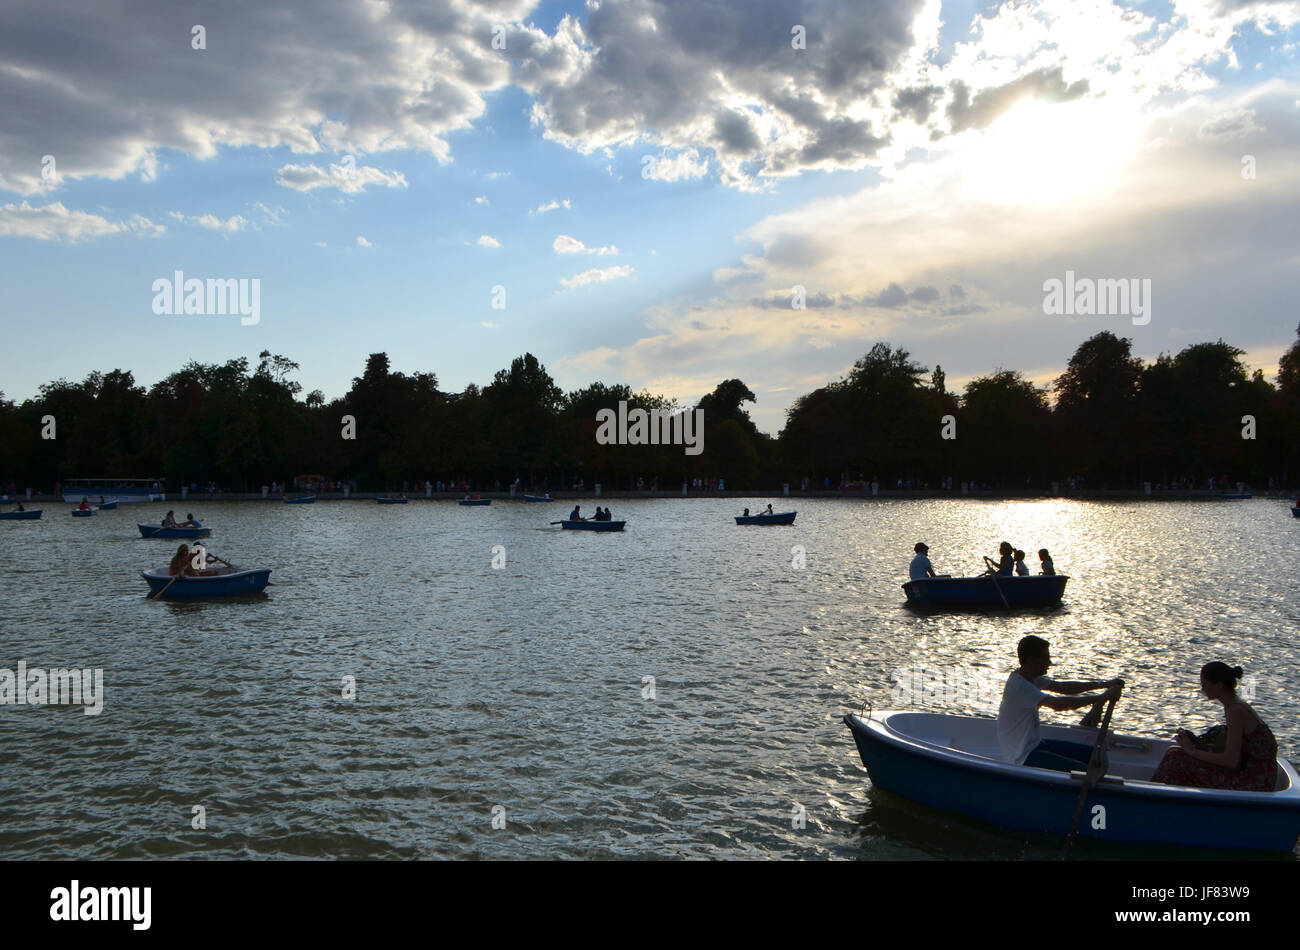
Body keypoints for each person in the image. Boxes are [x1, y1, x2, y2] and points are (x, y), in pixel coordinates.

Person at [997, 635, 1123, 770]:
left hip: (1035, 745)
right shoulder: (1019, 686)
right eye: (1045, 658)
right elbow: (1058, 705)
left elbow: (1064, 688)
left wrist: (1104, 684)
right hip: (1022, 757)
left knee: (1096, 755)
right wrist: (1101, 698)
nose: (1049, 662)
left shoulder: (1032, 678)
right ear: (1032, 660)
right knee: (1085, 770)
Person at [1149, 663, 1278, 791]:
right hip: (1249, 772)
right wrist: (1194, 743)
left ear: (1219, 685)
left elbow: (1231, 760)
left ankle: (1153, 797)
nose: (1202, 689)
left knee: (1176, 759)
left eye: (1205, 685)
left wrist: (1191, 751)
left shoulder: (1235, 710)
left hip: (1255, 782)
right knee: (1174, 751)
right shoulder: (1233, 705)